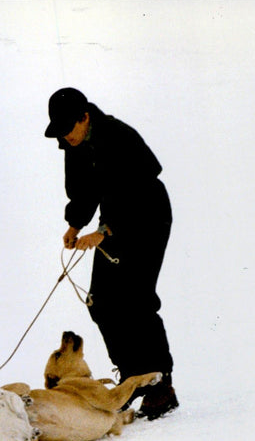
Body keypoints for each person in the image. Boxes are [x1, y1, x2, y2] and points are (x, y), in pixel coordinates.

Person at [44, 87, 178, 420]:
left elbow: (136, 191)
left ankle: (161, 385)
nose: (65, 138)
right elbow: (82, 189)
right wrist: (76, 225)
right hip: (112, 221)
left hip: (147, 216)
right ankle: (134, 379)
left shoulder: (119, 137)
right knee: (102, 302)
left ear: (85, 117)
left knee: (136, 300)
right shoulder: (73, 141)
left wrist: (103, 233)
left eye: (67, 129)